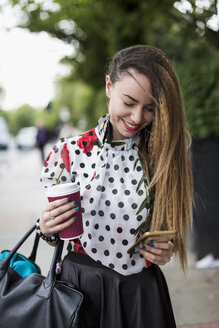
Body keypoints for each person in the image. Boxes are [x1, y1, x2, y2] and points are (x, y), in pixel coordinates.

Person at [38, 45, 194, 328]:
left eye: (150, 108)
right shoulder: (67, 152)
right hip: (79, 290)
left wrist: (165, 249)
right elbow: (55, 235)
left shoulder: (165, 155)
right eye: (129, 102)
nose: (137, 118)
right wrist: (47, 229)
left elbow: (168, 234)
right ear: (109, 87)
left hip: (140, 294)